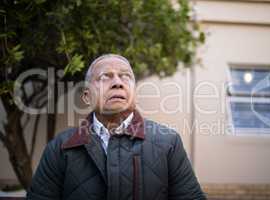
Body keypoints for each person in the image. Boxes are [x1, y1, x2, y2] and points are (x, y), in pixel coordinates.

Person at [27, 54, 206, 200]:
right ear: (87, 96)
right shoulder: (60, 147)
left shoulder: (169, 143)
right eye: (105, 77)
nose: (118, 82)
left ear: (134, 94)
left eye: (125, 76)